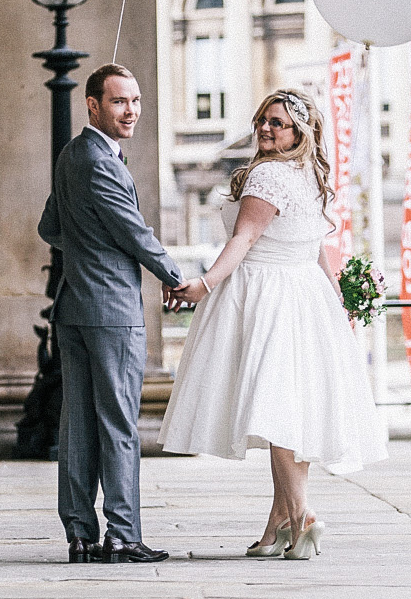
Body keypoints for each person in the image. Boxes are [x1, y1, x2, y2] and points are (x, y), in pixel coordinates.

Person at [160, 89, 385, 558]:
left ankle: (303, 517)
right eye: (261, 119)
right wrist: (335, 299)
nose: (264, 128)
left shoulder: (266, 176)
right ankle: (278, 525)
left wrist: (205, 283)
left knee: (277, 408)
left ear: (299, 132)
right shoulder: (308, 176)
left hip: (267, 295)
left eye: (276, 123)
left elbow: (244, 239)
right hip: (305, 295)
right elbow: (318, 248)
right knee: (288, 407)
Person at [38, 63, 183, 564]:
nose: (132, 111)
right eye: (120, 102)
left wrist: (87, 252)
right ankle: (122, 534)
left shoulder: (71, 155)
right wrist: (173, 276)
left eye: (137, 101)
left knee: (77, 426)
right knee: (118, 423)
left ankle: (80, 535)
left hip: (75, 305)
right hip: (113, 312)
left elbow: (49, 226)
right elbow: (134, 232)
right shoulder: (102, 161)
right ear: (93, 105)